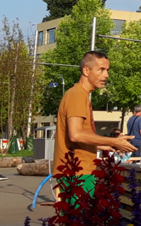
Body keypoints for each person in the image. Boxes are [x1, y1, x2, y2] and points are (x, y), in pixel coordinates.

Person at [54, 51, 136, 199]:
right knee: (79, 220)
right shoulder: (77, 95)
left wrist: (103, 145)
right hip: (77, 173)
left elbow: (77, 136)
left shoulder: (80, 94)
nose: (106, 75)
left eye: (107, 70)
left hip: (79, 171)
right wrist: (113, 140)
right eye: (101, 70)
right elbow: (76, 134)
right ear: (86, 70)